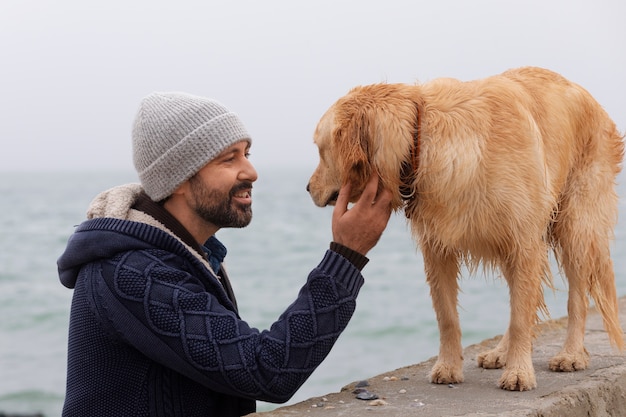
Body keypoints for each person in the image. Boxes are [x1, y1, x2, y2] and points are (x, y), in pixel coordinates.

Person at [57, 92, 393, 416]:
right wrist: (347, 254)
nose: (251, 172)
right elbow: (266, 370)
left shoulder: (189, 254)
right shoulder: (132, 270)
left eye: (247, 153)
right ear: (178, 179)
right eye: (229, 159)